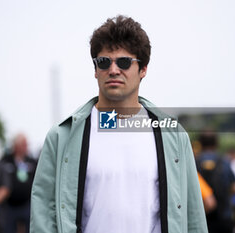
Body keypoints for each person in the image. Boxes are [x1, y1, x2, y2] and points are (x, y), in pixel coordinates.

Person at [30, 15, 207, 233]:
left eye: (124, 62)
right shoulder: (62, 137)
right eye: (104, 62)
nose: (113, 70)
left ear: (143, 70)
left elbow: (193, 217)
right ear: (95, 70)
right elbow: (43, 217)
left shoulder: (172, 135)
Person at [196, 131, 235, 233]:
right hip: (224, 215)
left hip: (201, 217)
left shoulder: (194, 161)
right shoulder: (224, 161)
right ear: (216, 143)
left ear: (200, 143)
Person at [1, 133, 37, 233]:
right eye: (23, 144)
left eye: (26, 145)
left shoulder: (32, 161)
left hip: (27, 204)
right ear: (16, 146)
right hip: (10, 205)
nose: (25, 147)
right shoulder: (5, 160)